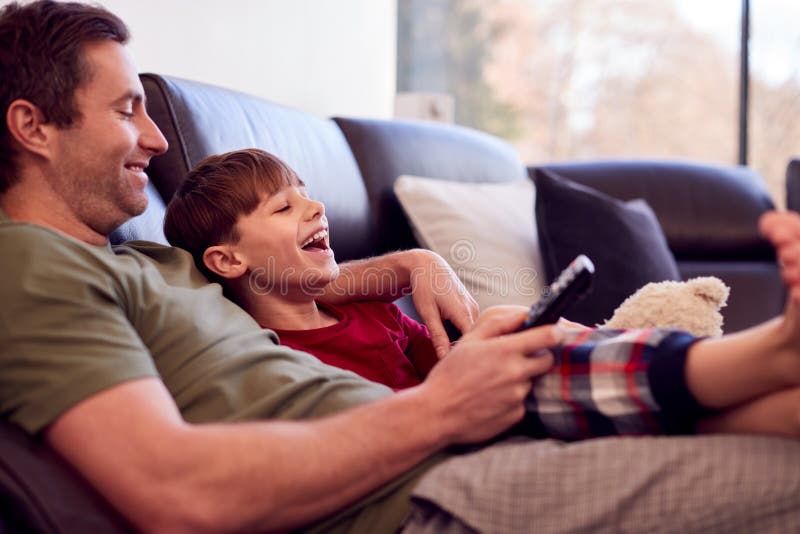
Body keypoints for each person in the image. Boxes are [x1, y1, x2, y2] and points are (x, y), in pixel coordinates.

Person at [0, 2, 797, 533]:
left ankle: (776, 352)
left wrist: (416, 265)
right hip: (405, 499)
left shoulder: (147, 261)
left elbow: (290, 282)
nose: (158, 141)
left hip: (435, 444)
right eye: (124, 110)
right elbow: (176, 493)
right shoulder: (30, 269)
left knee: (546, 350)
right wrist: (442, 409)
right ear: (33, 127)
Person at [163, 148, 800, 440]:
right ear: (228, 259)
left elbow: (438, 356)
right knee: (528, 350)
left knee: (513, 325)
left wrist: (482, 342)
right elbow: (383, 419)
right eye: (284, 206)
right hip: (458, 432)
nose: (315, 206)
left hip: (484, 399)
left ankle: (778, 394)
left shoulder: (365, 306)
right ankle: (774, 349)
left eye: (307, 192)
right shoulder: (279, 359)